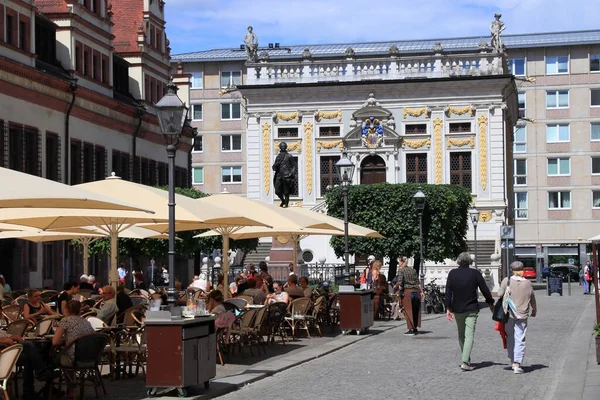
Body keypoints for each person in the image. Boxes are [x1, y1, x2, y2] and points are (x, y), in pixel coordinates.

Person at [445, 252, 495, 371]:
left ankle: (465, 358)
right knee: (469, 335)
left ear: (458, 261)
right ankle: (465, 360)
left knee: (461, 335)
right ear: (469, 262)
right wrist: (490, 302)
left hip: (457, 308)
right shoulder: (475, 273)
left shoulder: (452, 273)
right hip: (471, 308)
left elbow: (448, 292)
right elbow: (485, 289)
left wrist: (448, 307)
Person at [498, 261, 537, 374]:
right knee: (520, 338)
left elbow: (500, 294)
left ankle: (512, 359)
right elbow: (532, 297)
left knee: (510, 336)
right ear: (523, 269)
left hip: (509, 313)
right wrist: (534, 309)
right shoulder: (528, 283)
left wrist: (505, 290)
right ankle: (517, 363)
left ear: (511, 270)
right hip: (522, 314)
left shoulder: (507, 280)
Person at [395, 257, 424, 335]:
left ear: (402, 262)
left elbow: (400, 282)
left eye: (399, 262)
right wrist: (421, 292)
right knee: (415, 311)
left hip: (408, 293)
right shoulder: (413, 270)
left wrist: (395, 286)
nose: (398, 263)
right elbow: (418, 282)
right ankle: (415, 328)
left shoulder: (401, 270)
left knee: (408, 311)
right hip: (416, 292)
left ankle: (411, 329)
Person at [272, 141, 297, 207]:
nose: (283, 148)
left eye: (284, 146)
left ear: (286, 147)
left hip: (286, 176)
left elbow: (294, 165)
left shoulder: (289, 156)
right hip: (278, 175)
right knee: (277, 191)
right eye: (282, 147)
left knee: (286, 192)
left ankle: (286, 205)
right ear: (280, 147)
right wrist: (275, 166)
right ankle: (283, 200)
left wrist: (291, 172)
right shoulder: (278, 157)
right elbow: (274, 167)